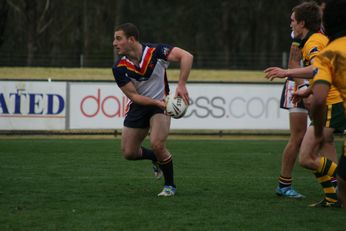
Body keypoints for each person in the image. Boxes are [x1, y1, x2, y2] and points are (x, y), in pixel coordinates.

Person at [112, 23, 193, 197]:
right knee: (129, 153)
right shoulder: (119, 67)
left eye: (118, 38)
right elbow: (133, 96)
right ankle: (155, 158)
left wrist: (181, 84)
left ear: (131, 39)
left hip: (161, 106)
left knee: (157, 143)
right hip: (141, 106)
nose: (114, 43)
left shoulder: (156, 51)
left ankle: (170, 186)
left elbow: (187, 56)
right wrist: (157, 103)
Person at [263, 1, 327, 199]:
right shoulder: (302, 34)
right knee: (298, 136)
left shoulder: (323, 32)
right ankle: (284, 184)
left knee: (324, 136)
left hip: (319, 84)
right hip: (298, 82)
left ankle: (332, 188)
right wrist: (304, 87)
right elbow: (293, 60)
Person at [298, 0, 346, 208]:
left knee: (307, 157)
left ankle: (340, 183)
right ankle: (332, 196)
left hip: (331, 103)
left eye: (292, 21)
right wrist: (307, 89)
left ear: (302, 23)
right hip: (334, 102)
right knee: (325, 148)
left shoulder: (318, 44)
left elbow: (318, 71)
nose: (290, 24)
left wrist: (287, 72)